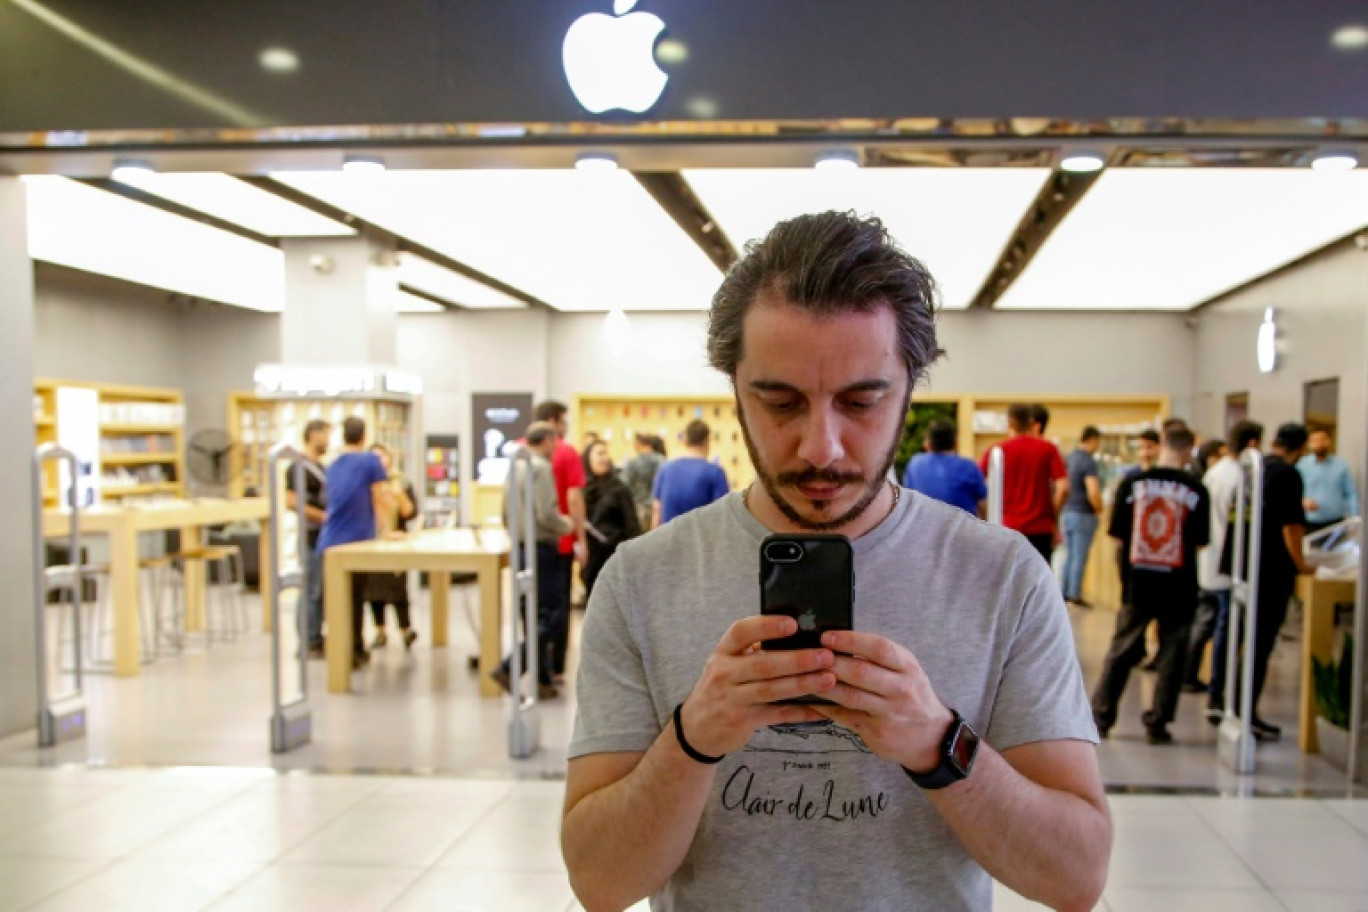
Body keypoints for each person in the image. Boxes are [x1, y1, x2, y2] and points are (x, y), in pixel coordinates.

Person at [563, 211, 1110, 912]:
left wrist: (939, 744)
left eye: (860, 401)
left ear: (911, 389)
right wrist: (692, 738)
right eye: (781, 402)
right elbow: (599, 884)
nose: (821, 447)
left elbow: (1076, 878)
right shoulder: (641, 579)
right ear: (735, 389)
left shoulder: (1001, 576)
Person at [1092, 426, 1209, 745]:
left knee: (1121, 650)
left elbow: (1117, 536)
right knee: (1172, 654)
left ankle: (1101, 717)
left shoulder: (1133, 483)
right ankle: (1158, 722)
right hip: (1179, 584)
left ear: (1161, 447)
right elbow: (1199, 543)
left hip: (1139, 582)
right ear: (1188, 451)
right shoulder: (1196, 489)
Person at [1216, 423, 1312, 740]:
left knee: (1241, 639)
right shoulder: (1286, 474)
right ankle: (1244, 711)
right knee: (1259, 643)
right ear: (1303, 447)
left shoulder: (1254, 468)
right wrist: (1302, 565)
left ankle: (1230, 703)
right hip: (1269, 571)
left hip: (1243, 567)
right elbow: (1291, 528)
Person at [493, 422, 572, 700]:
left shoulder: (515, 466)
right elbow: (546, 513)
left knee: (531, 615)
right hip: (542, 548)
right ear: (548, 440)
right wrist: (569, 526)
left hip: (520, 547)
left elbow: (504, 511)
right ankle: (511, 666)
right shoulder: (540, 467)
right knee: (552, 615)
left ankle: (542, 679)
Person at [316, 417, 390, 670]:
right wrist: (387, 531)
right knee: (356, 598)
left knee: (337, 601)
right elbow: (378, 496)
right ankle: (355, 650)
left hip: (330, 540)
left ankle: (341, 650)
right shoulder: (371, 461)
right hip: (357, 542)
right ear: (364, 436)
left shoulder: (333, 465)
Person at [1205, 422, 1264, 720]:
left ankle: (1216, 691)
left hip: (1216, 561)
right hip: (1228, 564)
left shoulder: (1217, 472)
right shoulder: (1239, 476)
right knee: (1226, 630)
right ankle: (1217, 693)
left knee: (1219, 627)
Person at [532, 400, 589, 681]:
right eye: (564, 422)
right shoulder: (565, 452)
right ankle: (555, 668)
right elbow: (574, 498)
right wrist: (579, 538)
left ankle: (535, 665)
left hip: (528, 544)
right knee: (557, 609)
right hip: (559, 542)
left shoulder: (519, 452)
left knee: (531, 607)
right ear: (554, 423)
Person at [978, 403, 1068, 565]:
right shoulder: (1048, 449)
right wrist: (1054, 517)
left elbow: (977, 483)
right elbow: (1063, 487)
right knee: (1039, 583)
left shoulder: (997, 450)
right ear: (1031, 421)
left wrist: (987, 515)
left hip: (1007, 526)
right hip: (1041, 528)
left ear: (1009, 423)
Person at [1180, 437, 1229, 692]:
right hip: (1214, 565)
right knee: (1212, 624)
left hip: (1209, 564)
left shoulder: (1204, 481)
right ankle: (1202, 680)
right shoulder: (1204, 483)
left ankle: (1189, 674)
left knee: (1203, 622)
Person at [365, 443, 419, 651]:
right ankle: (380, 630)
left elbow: (410, 512)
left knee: (398, 588)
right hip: (374, 542)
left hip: (397, 543)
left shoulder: (401, 483)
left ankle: (405, 629)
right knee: (374, 590)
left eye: (382, 457)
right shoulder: (366, 485)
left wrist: (397, 495)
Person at [285, 419, 329, 658]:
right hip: (310, 537)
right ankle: (308, 641)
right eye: (326, 434)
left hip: (324, 537)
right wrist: (322, 516)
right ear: (313, 434)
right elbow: (291, 501)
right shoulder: (298, 468)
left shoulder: (321, 468)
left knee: (320, 590)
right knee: (311, 589)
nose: (329, 440)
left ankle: (316, 636)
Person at [581, 439, 641, 603]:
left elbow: (632, 526)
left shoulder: (619, 489)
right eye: (599, 453)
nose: (604, 458)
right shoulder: (583, 489)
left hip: (614, 557)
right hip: (591, 559)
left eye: (606, 453)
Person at [651, 419, 730, 527]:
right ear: (706, 440)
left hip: (669, 539)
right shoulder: (715, 472)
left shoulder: (665, 468)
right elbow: (722, 515)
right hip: (702, 541)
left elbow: (657, 509)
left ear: (686, 440)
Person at [900, 417, 987, 516]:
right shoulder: (969, 467)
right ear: (956, 442)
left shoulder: (915, 463)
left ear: (928, 443)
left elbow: (907, 499)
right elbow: (982, 504)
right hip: (962, 528)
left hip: (922, 526)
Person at [1061, 425, 1103, 608]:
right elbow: (1093, 491)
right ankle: (1075, 594)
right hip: (1084, 514)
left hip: (1067, 512)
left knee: (1069, 556)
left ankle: (1064, 592)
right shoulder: (1088, 462)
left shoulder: (1069, 458)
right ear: (1093, 440)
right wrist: (1100, 509)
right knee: (1079, 555)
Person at [1299, 428, 1358, 534]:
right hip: (1309, 523)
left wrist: (1353, 518)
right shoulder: (1302, 466)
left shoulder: (1341, 466)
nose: (1320, 444)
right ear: (1309, 444)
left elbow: (1351, 494)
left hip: (1335, 524)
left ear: (1329, 441)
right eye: (1315, 441)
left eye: (1323, 439)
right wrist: (1302, 501)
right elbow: (1292, 492)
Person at [620, 432, 665, 532]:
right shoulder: (661, 461)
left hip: (639, 508)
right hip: (658, 508)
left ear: (638, 444)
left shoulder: (632, 463)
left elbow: (624, 485)